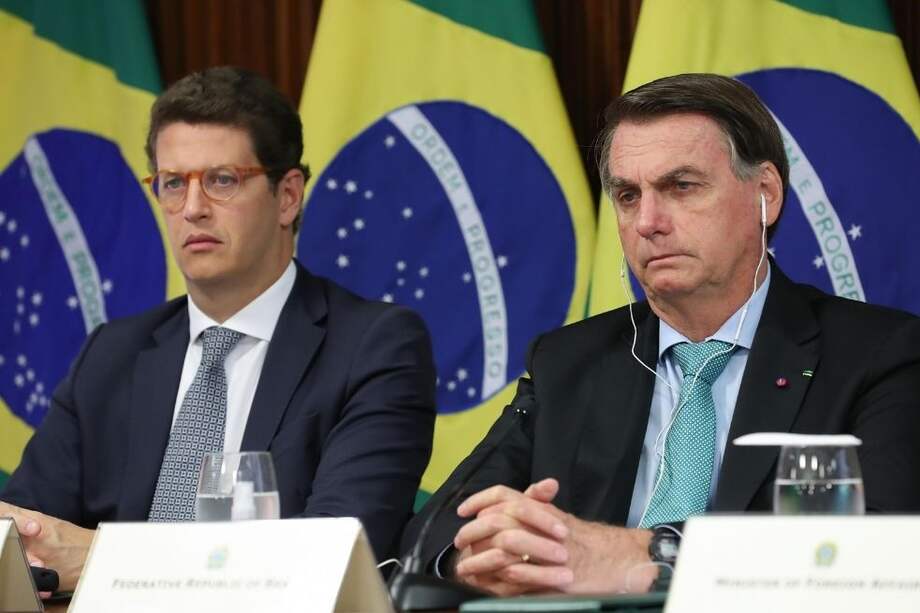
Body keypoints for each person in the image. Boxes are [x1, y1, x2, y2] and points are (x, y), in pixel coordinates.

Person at [402, 73, 920, 596]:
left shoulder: (877, 355)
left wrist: (641, 556)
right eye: (628, 195)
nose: (647, 221)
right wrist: (485, 553)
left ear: (765, 194)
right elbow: (433, 532)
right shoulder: (569, 361)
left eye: (681, 187)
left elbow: (879, 547)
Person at [1, 66, 436, 591]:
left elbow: (332, 557)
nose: (193, 209)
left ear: (289, 196)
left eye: (222, 180)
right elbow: (21, 535)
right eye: (172, 184)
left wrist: (104, 557)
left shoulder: (375, 347)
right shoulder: (111, 354)